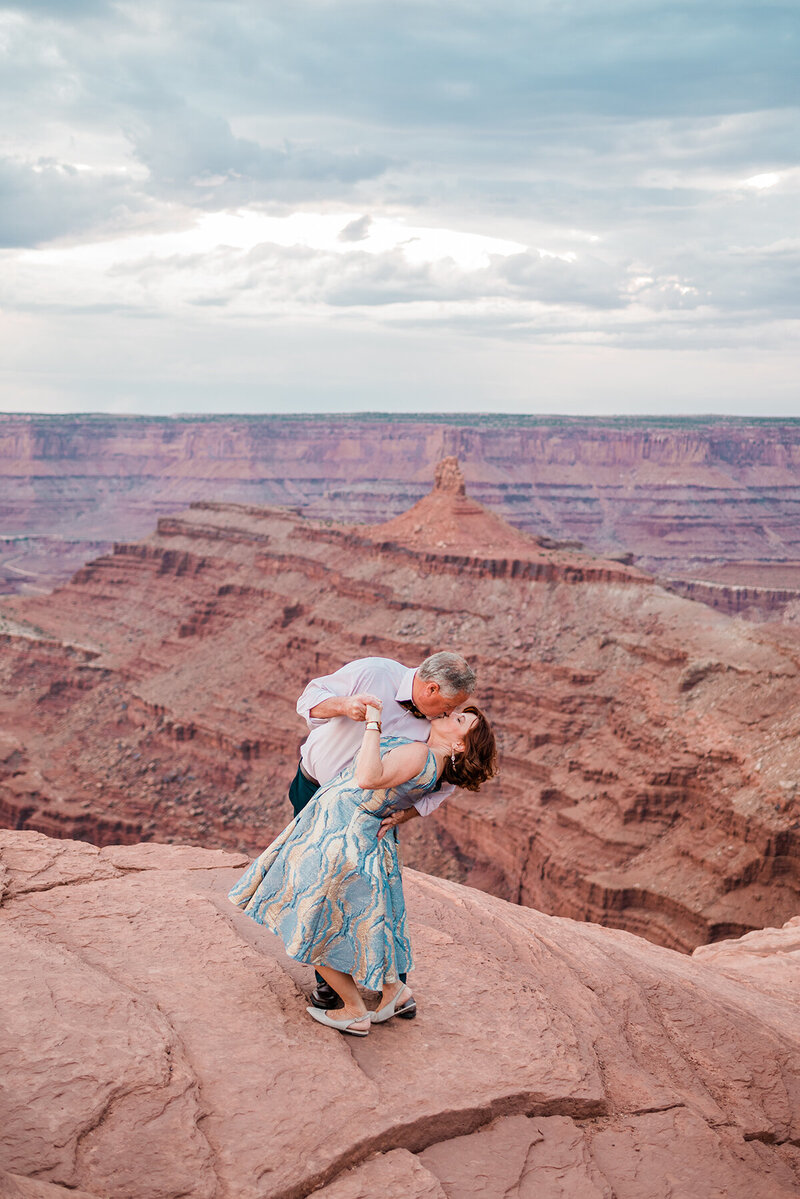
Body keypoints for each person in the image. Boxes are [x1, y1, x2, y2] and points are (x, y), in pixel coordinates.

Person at [228, 701, 497, 1037]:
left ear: (459, 745)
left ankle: (354, 1010)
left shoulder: (420, 755)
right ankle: (395, 994)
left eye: (460, 720)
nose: (449, 714)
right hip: (351, 833)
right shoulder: (433, 761)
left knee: (311, 925)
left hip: (339, 837)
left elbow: (368, 777)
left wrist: (373, 723)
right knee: (357, 923)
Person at [289, 651, 476, 1010]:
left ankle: (393, 990)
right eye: (450, 705)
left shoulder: (440, 728)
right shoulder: (375, 672)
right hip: (314, 790)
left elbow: (452, 774)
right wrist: (344, 705)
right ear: (432, 688)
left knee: (368, 895)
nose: (450, 713)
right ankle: (333, 985)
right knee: (322, 887)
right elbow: (309, 700)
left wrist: (407, 813)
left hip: (369, 814)